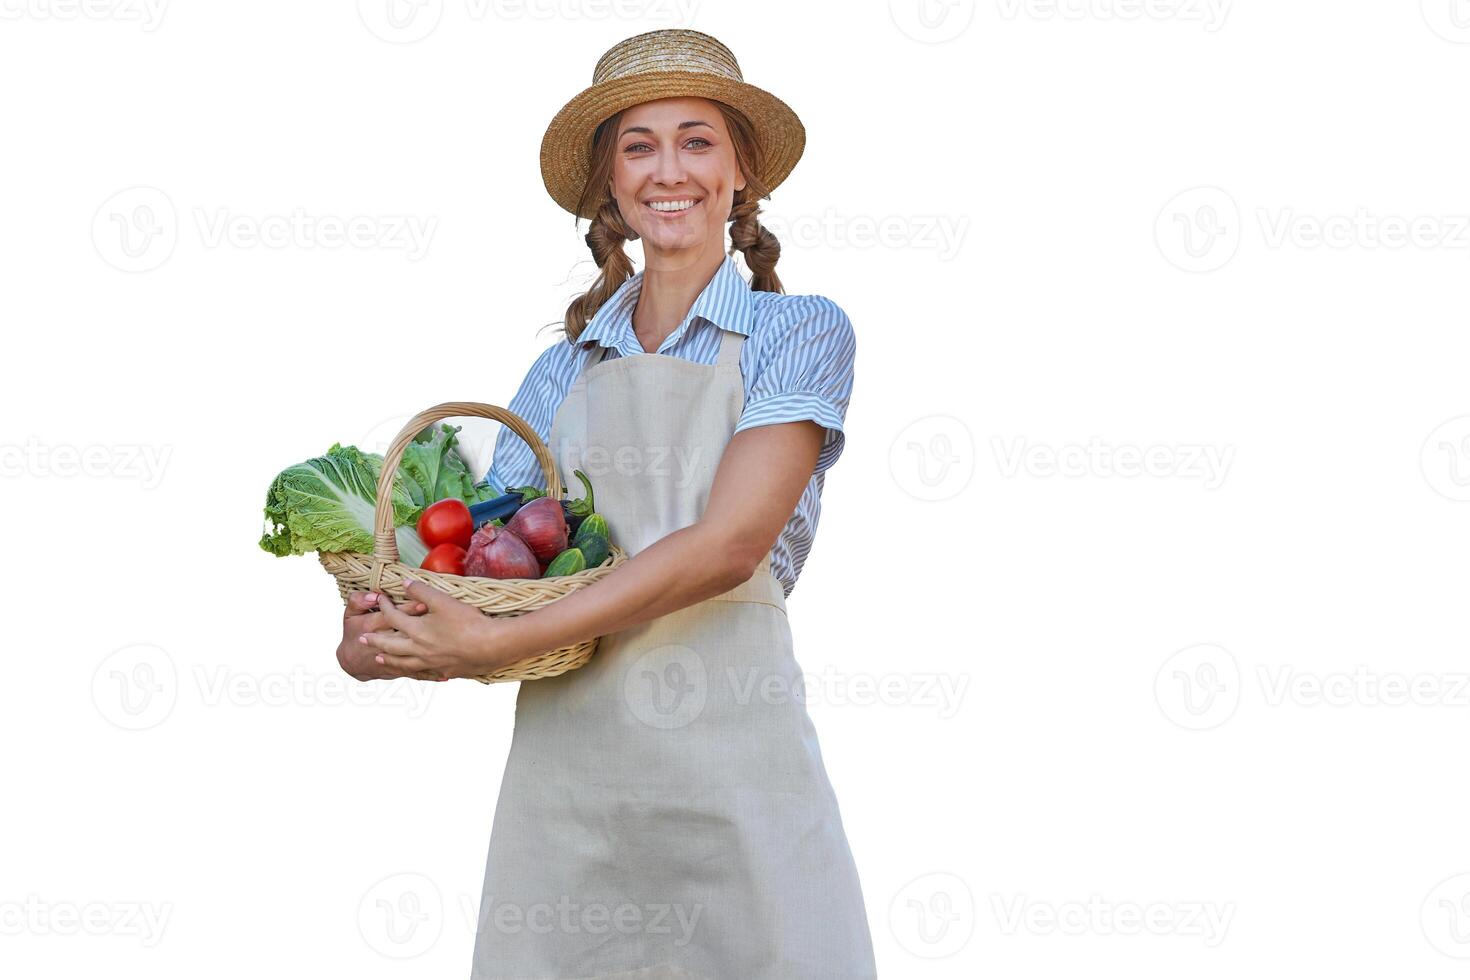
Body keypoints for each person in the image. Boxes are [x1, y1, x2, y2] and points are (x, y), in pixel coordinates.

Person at [342, 28, 876, 979]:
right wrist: (389, 633)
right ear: (609, 184)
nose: (669, 170)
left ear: (743, 170)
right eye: (638, 145)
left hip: (737, 781)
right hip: (570, 795)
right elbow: (497, 567)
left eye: (697, 139)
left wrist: (493, 642)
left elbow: (729, 545)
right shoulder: (559, 370)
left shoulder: (799, 331)